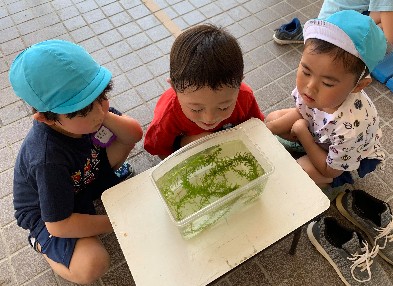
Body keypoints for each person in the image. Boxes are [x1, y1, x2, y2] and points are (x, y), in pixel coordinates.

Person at [9, 40, 143, 284]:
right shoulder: (47, 158)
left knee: (120, 137)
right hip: (47, 213)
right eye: (82, 110)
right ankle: (40, 243)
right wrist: (117, 221)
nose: (97, 113)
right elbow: (59, 226)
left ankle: (97, 188)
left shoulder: (92, 111)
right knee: (92, 264)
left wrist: (104, 115)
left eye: (101, 95)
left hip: (80, 179)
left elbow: (133, 135)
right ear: (46, 119)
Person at [265, 10, 387, 189]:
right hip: (320, 133)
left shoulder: (351, 127)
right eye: (306, 71)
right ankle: (307, 145)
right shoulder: (314, 89)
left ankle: (330, 188)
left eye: (328, 83)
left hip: (340, 162)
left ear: (358, 86)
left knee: (302, 171)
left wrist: (302, 133)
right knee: (272, 119)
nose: (310, 87)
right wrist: (268, 128)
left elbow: (330, 170)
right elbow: (302, 111)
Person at [144, 24, 265, 159]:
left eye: (224, 107)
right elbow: (161, 150)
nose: (210, 118)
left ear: (239, 84)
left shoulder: (244, 96)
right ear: (174, 87)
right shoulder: (166, 116)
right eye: (196, 109)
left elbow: (256, 128)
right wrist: (185, 146)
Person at [273, 0, 393, 45]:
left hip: (327, 20)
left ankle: (313, 32)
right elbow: (389, 38)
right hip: (332, 37)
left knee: (384, 12)